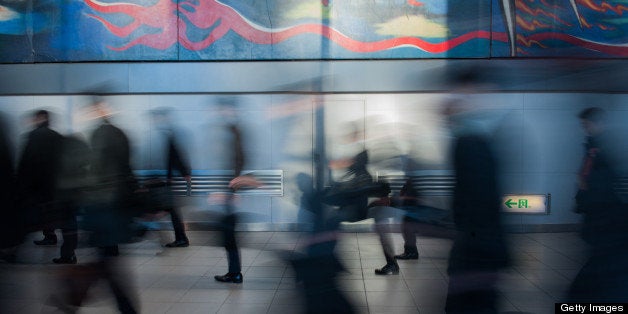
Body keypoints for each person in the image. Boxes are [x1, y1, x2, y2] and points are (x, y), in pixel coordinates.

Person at [442, 98, 510, 314]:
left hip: (476, 249)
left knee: (467, 305)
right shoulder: (477, 143)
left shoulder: (468, 145)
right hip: (479, 247)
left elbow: (476, 200)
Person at [566, 107, 628, 302]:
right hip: (601, 217)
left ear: (599, 123)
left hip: (604, 217)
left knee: (602, 265)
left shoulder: (602, 149)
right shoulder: (593, 147)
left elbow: (601, 183)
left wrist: (584, 194)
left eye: (587, 125)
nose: (585, 129)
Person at [16, 109, 64, 246]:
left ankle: (46, 235)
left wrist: (21, 180)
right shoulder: (57, 136)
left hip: (37, 182)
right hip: (53, 180)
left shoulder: (33, 135)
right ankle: (51, 235)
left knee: (37, 210)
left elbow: (27, 159)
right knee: (49, 209)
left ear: (40, 118)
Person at [213, 99, 246, 284]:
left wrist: (233, 189)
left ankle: (235, 272)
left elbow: (239, 160)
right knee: (228, 234)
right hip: (229, 190)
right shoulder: (231, 132)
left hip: (231, 191)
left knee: (229, 234)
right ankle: (234, 271)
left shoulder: (234, 132)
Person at [150, 108, 192, 248]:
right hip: (162, 180)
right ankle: (180, 238)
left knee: (169, 210)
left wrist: (185, 172)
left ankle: (180, 238)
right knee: (169, 210)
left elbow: (175, 155)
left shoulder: (165, 135)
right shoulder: (162, 135)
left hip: (164, 181)